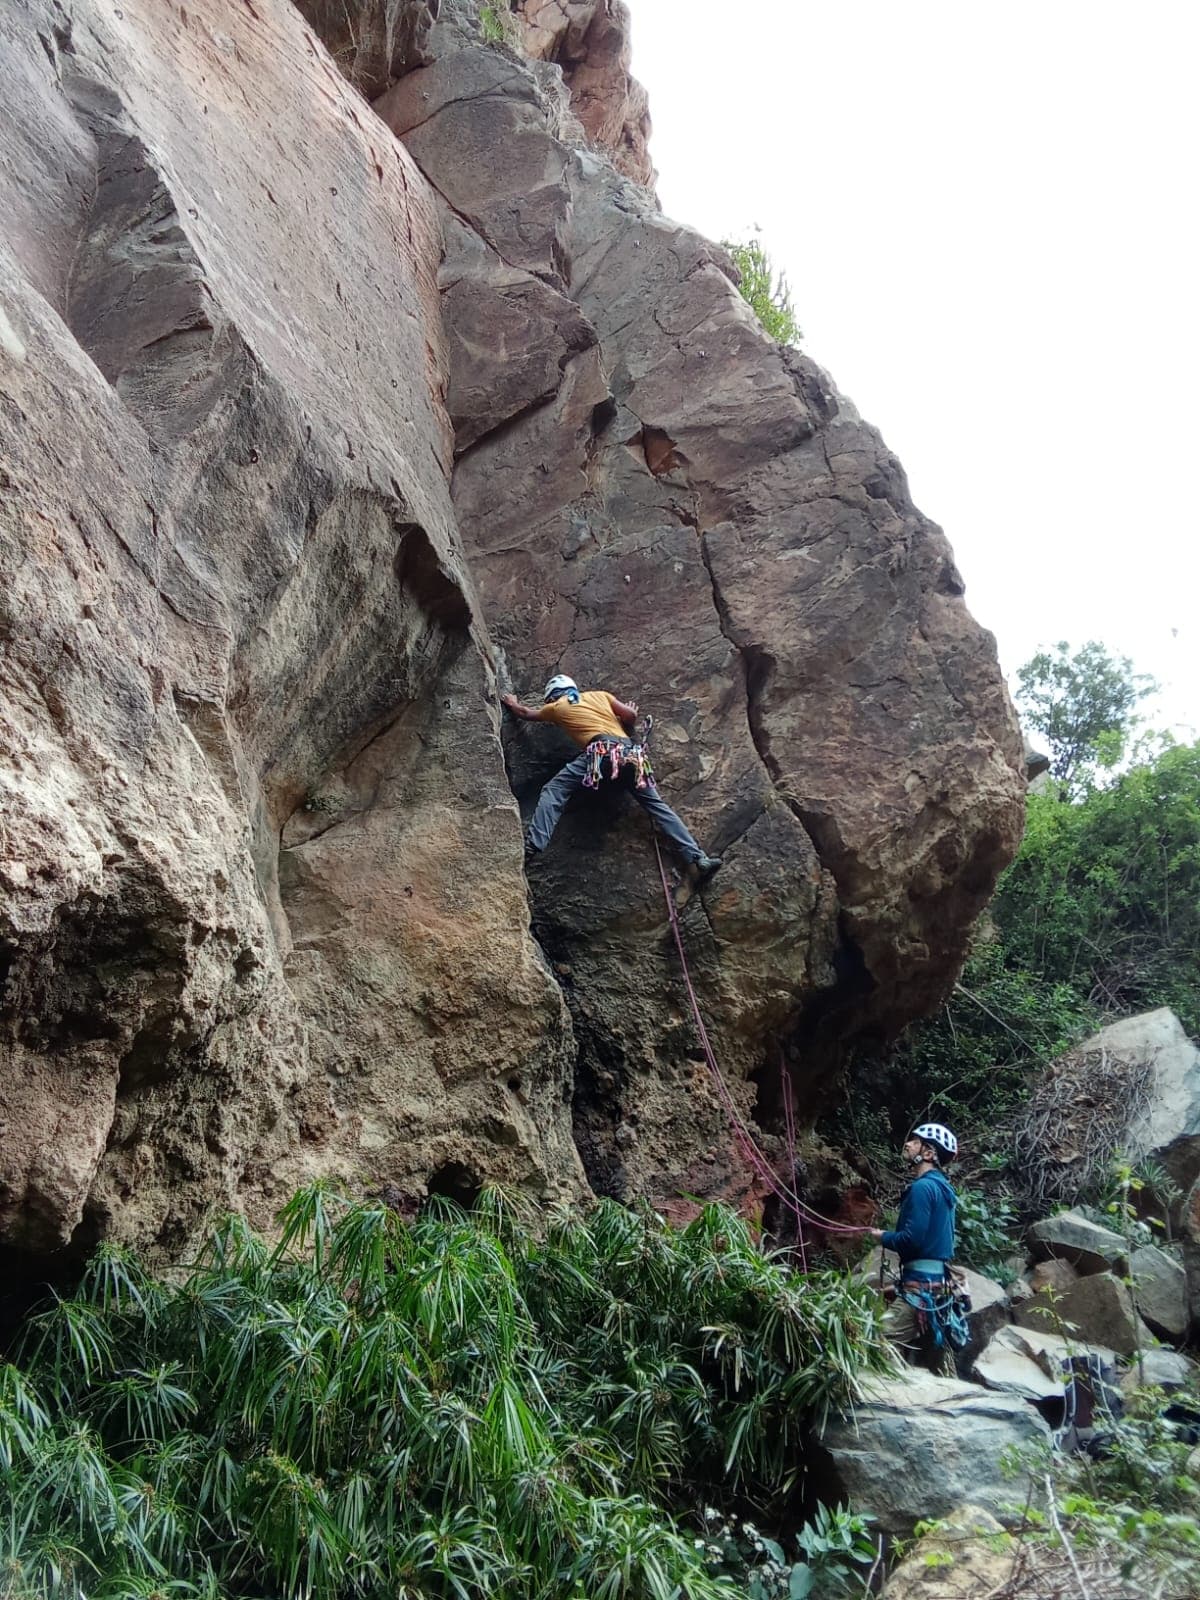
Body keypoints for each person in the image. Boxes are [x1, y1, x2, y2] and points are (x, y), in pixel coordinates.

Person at [501, 674, 722, 873]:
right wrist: (631, 712)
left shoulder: (557, 707)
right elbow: (629, 716)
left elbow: (525, 713)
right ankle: (697, 858)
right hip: (632, 756)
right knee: (658, 807)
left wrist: (512, 702)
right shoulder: (601, 696)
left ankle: (532, 845)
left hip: (602, 753)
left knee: (555, 789)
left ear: (552, 697)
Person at [868, 1123, 961, 1371]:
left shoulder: (922, 1188)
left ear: (928, 1153)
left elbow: (911, 1240)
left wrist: (883, 1237)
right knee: (936, 1363)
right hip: (937, 1287)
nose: (908, 1144)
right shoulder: (945, 1190)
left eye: (915, 1141)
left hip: (920, 1290)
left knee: (878, 1340)